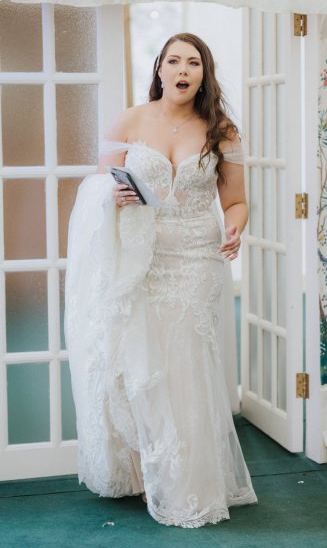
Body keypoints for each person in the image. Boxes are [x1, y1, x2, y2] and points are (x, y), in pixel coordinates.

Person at [65, 32, 257, 528]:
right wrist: (114, 196)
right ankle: (146, 469)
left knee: (187, 361)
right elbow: (99, 187)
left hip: (197, 254)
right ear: (160, 69)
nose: (182, 69)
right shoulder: (130, 120)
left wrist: (235, 227)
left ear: (202, 74)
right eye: (174, 60)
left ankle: (190, 483)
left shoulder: (221, 130)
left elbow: (235, 200)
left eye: (193, 62)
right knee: (143, 359)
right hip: (142, 256)